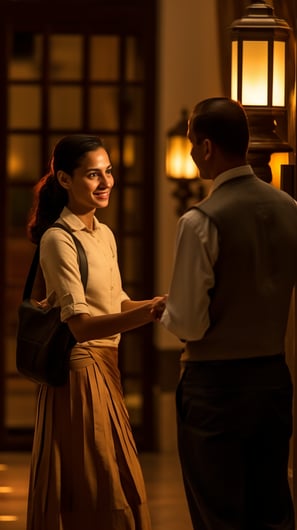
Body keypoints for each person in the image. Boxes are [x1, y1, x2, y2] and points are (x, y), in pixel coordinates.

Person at [153, 97, 297, 530]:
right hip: (273, 378)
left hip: (215, 388)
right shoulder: (291, 210)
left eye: (193, 142)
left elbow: (190, 322)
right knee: (272, 509)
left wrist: (165, 310)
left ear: (208, 146)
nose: (194, 152)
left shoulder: (201, 221)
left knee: (219, 514)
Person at [25, 134, 164, 530]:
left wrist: (160, 304)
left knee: (111, 480)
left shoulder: (104, 235)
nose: (105, 183)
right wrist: (148, 312)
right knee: (98, 483)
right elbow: (81, 326)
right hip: (80, 373)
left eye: (108, 172)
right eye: (92, 175)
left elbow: (118, 303)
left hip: (107, 368)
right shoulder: (57, 239)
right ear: (65, 179)